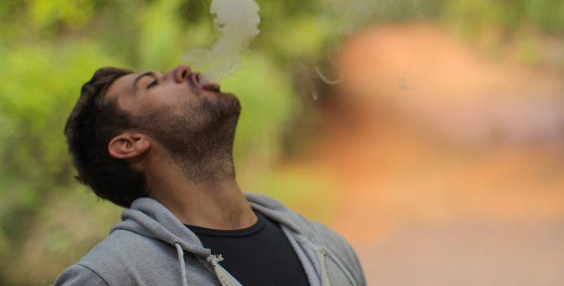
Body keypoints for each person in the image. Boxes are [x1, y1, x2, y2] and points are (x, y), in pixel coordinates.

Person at [54, 64, 366, 286]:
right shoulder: (110, 277)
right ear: (129, 144)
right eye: (152, 83)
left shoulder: (328, 249)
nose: (183, 69)